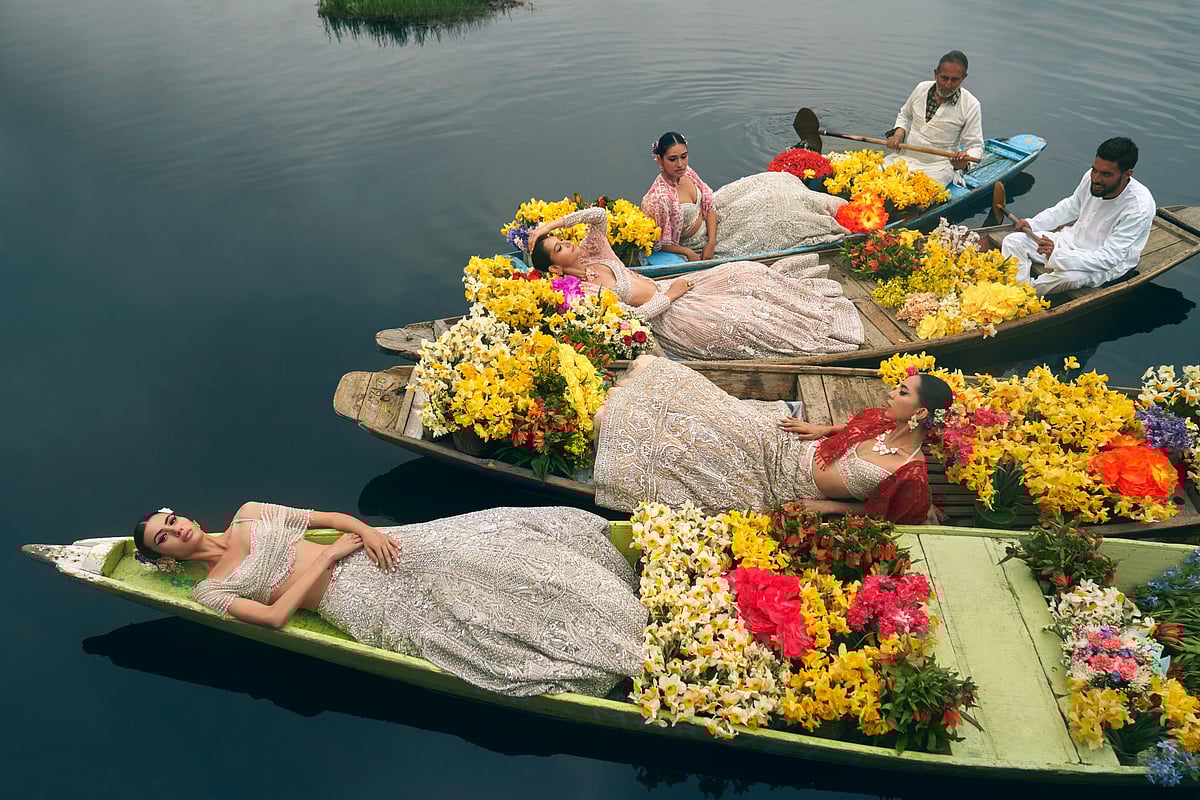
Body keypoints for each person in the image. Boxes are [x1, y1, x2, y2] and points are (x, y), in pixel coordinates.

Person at [133, 503, 646, 698]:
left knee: (487, 545)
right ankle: (592, 649)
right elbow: (272, 617)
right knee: (464, 618)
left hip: (364, 553)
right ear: (166, 560)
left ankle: (595, 593)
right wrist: (326, 559)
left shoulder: (248, 514)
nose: (176, 529)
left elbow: (331, 522)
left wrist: (367, 531)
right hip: (349, 597)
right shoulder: (210, 589)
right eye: (164, 537)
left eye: (171, 519)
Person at [592, 356, 952, 523]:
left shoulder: (911, 474)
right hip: (790, 446)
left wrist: (825, 508)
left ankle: (622, 428)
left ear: (920, 413)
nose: (891, 393)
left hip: (783, 483)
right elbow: (853, 428)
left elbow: (882, 515)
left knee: (701, 448)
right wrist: (820, 429)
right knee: (719, 412)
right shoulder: (885, 422)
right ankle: (637, 402)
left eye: (902, 392)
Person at [527, 206, 864, 360]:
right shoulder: (585, 293)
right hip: (669, 316)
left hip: (680, 287)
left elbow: (597, 215)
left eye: (562, 239)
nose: (567, 243)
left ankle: (814, 309)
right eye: (559, 247)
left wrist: (547, 227)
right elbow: (630, 324)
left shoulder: (592, 253)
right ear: (555, 270)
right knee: (742, 318)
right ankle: (817, 334)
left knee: (747, 272)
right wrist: (670, 296)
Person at [640, 131, 850, 261]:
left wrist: (711, 242)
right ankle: (827, 221)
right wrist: (688, 252)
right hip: (694, 244)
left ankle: (833, 205)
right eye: (673, 159)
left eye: (684, 157)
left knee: (771, 185)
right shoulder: (660, 199)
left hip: (714, 224)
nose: (680, 164)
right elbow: (660, 243)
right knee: (776, 220)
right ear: (660, 160)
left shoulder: (687, 172)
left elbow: (709, 207)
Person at [1000, 137, 1156, 296]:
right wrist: (1034, 224)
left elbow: (1109, 258)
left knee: (1069, 278)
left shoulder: (1139, 206)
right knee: (1013, 241)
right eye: (1095, 170)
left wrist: (1058, 255)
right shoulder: (1091, 177)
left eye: (1106, 174)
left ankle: (1023, 295)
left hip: (1104, 263)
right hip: (1069, 241)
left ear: (1127, 174)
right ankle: (1015, 290)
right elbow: (1071, 207)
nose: (1096, 179)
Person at [884, 50, 983, 186]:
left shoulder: (971, 105)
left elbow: (976, 146)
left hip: (938, 168)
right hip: (904, 158)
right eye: (944, 78)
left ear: (963, 78)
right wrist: (898, 136)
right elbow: (905, 115)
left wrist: (964, 161)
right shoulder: (921, 89)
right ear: (935, 73)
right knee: (870, 178)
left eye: (954, 80)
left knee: (919, 195)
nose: (947, 85)